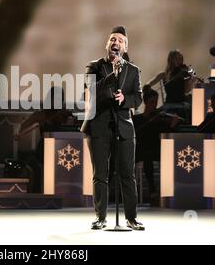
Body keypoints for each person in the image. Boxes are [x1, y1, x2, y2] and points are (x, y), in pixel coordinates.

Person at [81, 25, 144, 231]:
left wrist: (125, 99)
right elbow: (90, 91)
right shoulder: (95, 67)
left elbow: (138, 97)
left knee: (127, 174)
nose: (115, 43)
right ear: (107, 45)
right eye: (112, 40)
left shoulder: (133, 70)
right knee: (101, 174)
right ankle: (100, 217)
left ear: (125, 47)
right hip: (99, 126)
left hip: (123, 127)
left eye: (119, 40)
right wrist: (111, 76)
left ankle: (131, 218)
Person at [133, 88, 181, 203]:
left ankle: (168, 191)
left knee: (166, 156)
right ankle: (152, 191)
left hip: (155, 151)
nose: (154, 105)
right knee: (146, 156)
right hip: (139, 151)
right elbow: (136, 134)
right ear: (145, 102)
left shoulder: (159, 119)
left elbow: (167, 137)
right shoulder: (137, 119)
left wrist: (172, 125)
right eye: (151, 102)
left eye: (155, 102)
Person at [143, 49, 196, 121]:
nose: (179, 61)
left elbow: (187, 90)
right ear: (171, 60)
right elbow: (147, 85)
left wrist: (190, 80)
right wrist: (149, 91)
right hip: (168, 104)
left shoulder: (184, 73)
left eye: (181, 58)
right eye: (177, 58)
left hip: (181, 104)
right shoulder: (163, 74)